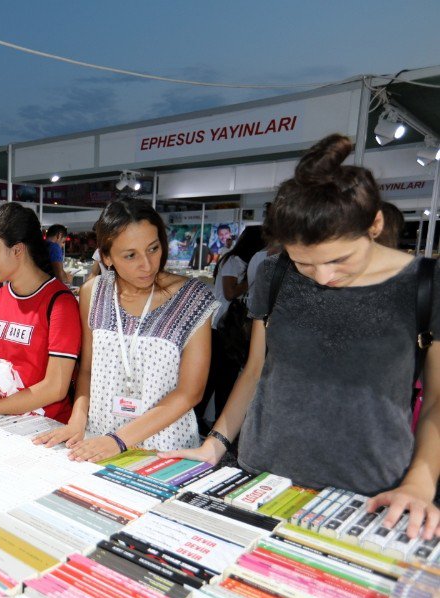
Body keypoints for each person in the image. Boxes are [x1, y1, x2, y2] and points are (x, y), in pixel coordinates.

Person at [161, 134, 440, 540]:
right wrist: (216, 443)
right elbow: (256, 371)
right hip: (260, 475)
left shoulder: (425, 286)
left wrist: (420, 483)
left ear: (375, 224)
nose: (324, 277)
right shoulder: (274, 275)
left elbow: (436, 400)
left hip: (369, 492)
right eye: (305, 263)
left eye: (340, 259)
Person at [34, 200, 217, 461]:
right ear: (106, 257)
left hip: (164, 447)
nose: (147, 264)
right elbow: (87, 369)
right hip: (98, 438)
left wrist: (120, 440)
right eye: (130, 255)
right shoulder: (93, 293)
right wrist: (78, 418)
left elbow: (190, 392)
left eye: (153, 248)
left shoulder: (193, 298)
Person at [0, 203, 80, 422]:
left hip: (45, 426)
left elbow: (56, 387)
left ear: (17, 250)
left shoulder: (60, 303)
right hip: (2, 422)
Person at [195, 225, 265, 432]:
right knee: (217, 378)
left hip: (229, 328)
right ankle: (205, 423)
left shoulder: (239, 261)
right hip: (223, 327)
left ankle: (218, 423)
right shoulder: (234, 261)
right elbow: (229, 292)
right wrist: (253, 281)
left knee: (225, 378)